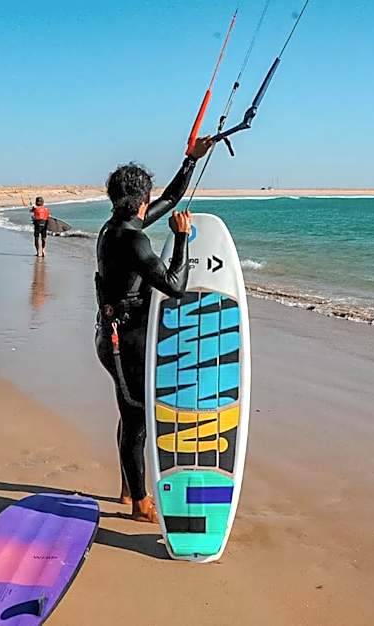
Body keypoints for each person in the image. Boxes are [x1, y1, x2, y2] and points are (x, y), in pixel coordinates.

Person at [94, 136, 213, 522]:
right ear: (142, 199)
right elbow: (174, 286)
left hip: (113, 335)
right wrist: (181, 238)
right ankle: (140, 501)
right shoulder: (133, 238)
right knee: (136, 419)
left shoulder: (114, 226)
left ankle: (130, 489)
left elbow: (173, 199)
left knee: (129, 415)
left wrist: (190, 161)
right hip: (124, 342)